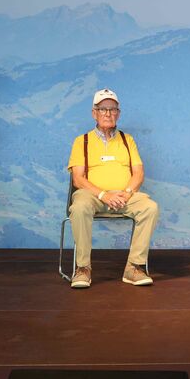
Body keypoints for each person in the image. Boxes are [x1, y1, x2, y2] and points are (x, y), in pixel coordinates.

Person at [66, 88, 159, 288]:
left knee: (150, 207)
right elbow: (78, 179)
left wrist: (126, 194)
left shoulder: (128, 140)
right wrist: (103, 194)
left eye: (112, 109)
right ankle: (83, 268)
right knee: (79, 207)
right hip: (92, 195)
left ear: (118, 112)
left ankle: (134, 267)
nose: (108, 114)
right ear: (94, 113)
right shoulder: (82, 141)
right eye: (103, 109)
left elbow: (138, 173)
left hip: (124, 196)